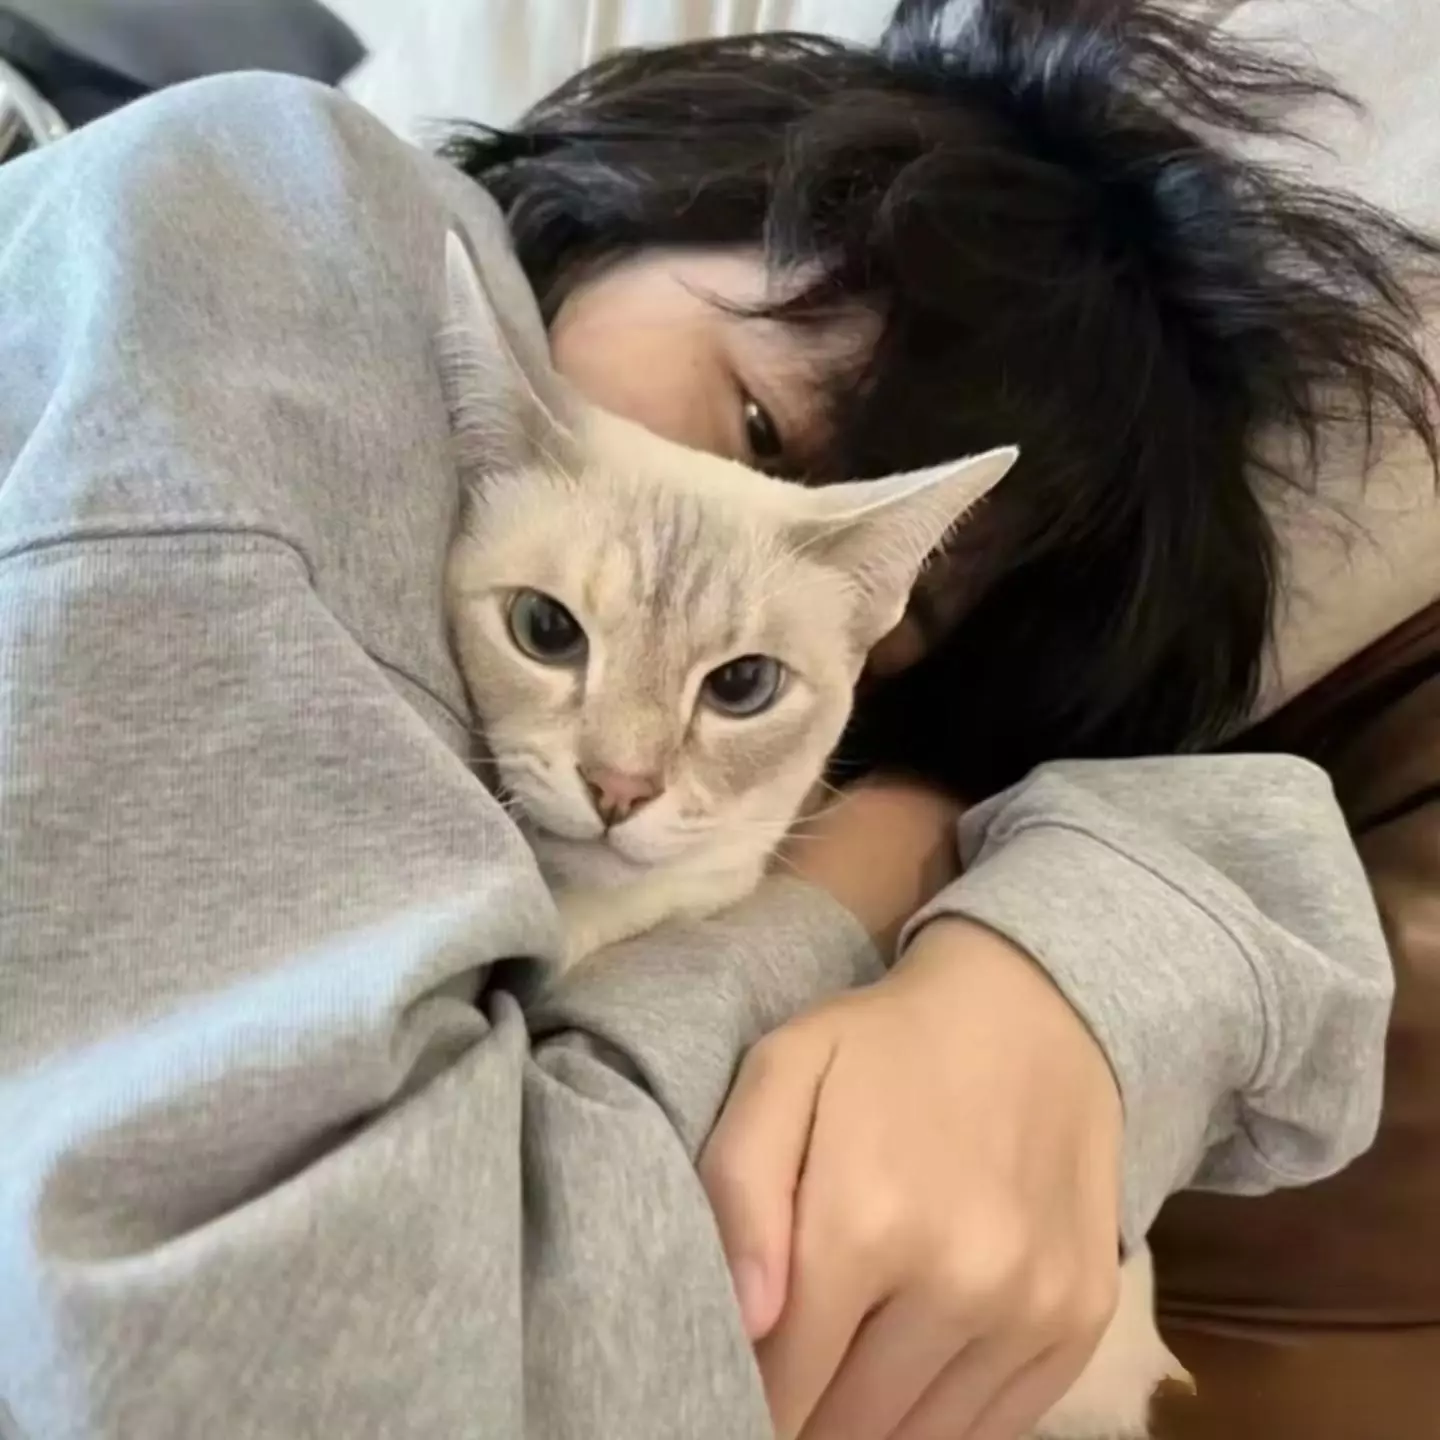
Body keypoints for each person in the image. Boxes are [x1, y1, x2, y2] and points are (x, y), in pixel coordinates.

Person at [0, 8, 1429, 1440]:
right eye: (761, 432)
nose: (621, 776)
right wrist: (854, 895)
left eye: (744, 674)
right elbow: (263, 1369)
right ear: (644, 201)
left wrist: (1054, 941)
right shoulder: (287, 212)